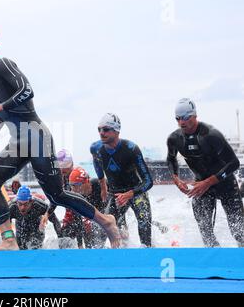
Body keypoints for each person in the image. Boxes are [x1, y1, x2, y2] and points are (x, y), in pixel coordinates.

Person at [0, 27, 120, 250]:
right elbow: (3, 111)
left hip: (36, 136)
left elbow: (27, 91)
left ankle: (106, 221)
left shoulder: (3, 65)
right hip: (18, 141)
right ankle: (9, 239)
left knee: (57, 195)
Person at [166, 98, 244, 247]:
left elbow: (234, 163)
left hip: (225, 184)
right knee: (206, 232)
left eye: (185, 117)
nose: (182, 122)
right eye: (178, 118)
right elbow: (171, 159)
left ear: (195, 115)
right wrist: (176, 178)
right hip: (202, 188)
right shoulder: (175, 139)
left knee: (239, 233)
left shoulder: (211, 135)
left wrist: (207, 182)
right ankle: (215, 261)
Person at [90, 113, 154, 247]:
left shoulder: (131, 149)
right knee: (104, 228)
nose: (102, 133)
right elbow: (97, 165)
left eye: (106, 129)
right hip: (116, 195)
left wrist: (130, 193)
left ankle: (147, 255)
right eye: (99, 129)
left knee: (144, 224)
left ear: (116, 131)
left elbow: (148, 181)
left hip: (136, 192)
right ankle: (104, 258)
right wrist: (103, 186)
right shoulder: (96, 149)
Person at [61, 167, 106, 249]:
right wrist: (80, 245)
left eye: (75, 186)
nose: (73, 190)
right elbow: (78, 221)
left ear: (85, 182)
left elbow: (114, 203)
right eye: (71, 186)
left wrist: (122, 224)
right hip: (93, 217)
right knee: (86, 225)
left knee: (104, 225)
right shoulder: (76, 197)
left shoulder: (99, 185)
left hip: (104, 214)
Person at [8, 185, 62, 250]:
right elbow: (5, 227)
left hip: (36, 228)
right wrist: (8, 239)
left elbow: (55, 221)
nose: (22, 208)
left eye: (25, 204)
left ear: (31, 201)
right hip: (20, 228)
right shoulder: (12, 207)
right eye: (20, 204)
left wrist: (61, 241)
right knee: (21, 248)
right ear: (17, 202)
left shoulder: (39, 205)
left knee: (35, 248)